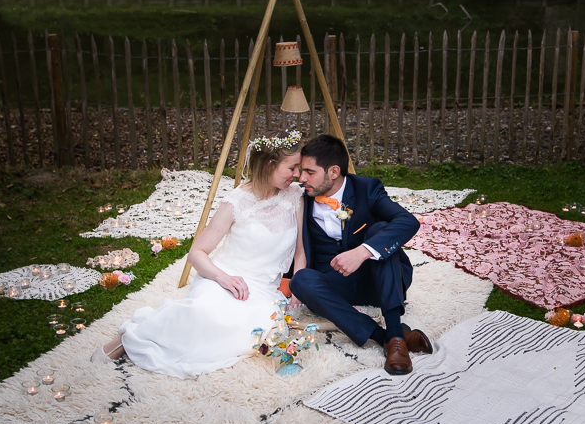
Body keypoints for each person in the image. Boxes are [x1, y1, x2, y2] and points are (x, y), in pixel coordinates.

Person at [91, 130, 305, 378]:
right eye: (292, 168)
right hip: (223, 276)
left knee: (254, 332)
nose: (297, 174)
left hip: (263, 288)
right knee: (204, 313)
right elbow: (197, 253)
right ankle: (130, 339)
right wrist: (224, 278)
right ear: (269, 165)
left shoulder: (295, 196)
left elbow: (300, 252)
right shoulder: (237, 201)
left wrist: (297, 287)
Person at [289, 134, 432, 375]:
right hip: (336, 286)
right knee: (301, 280)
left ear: (334, 172)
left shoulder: (367, 189)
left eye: (310, 172)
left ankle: (396, 333)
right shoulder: (302, 198)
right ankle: (385, 337)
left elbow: (407, 222)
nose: (302, 179)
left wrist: (362, 252)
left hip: (379, 281)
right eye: (301, 171)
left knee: (379, 230)